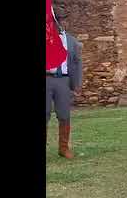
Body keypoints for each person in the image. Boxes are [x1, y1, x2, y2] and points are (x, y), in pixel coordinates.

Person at [46, 12, 83, 159]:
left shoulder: (72, 41)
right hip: (47, 78)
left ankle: (63, 148)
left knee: (64, 114)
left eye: (64, 20)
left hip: (64, 80)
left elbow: (77, 63)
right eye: (59, 20)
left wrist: (77, 83)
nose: (62, 24)